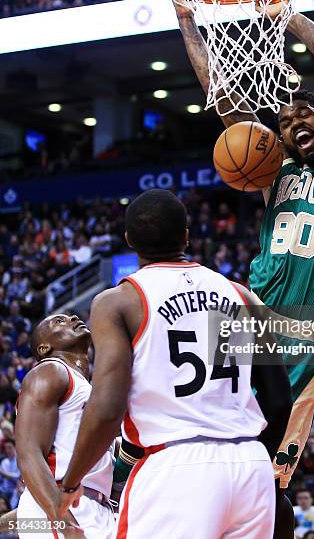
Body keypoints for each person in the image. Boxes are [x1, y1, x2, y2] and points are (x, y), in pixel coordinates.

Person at [171, 0, 314, 537]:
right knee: (201, 451)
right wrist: (189, 23)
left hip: (307, 337)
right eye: (285, 123)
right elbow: (221, 97)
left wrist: (285, 15)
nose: (294, 125)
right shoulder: (272, 172)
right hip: (248, 317)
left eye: (304, 117)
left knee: (267, 480)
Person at [57, 189, 292, 539]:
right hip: (250, 464)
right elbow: (278, 399)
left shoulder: (119, 301)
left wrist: (71, 480)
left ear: (129, 241)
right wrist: (257, 457)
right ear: (186, 235)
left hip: (178, 466)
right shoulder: (241, 294)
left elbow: (107, 408)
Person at [15, 313, 114, 538]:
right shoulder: (50, 371)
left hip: (93, 507)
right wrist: (66, 524)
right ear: (44, 348)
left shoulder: (87, 388)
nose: (72, 318)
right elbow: (28, 454)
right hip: (64, 511)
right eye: (59, 321)